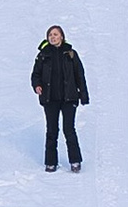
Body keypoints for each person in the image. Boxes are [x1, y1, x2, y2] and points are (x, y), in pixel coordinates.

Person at [31, 25, 87, 172]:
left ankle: (75, 161)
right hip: (50, 99)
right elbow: (35, 74)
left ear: (61, 36)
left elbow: (79, 75)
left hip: (69, 98)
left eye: (55, 34)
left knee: (69, 129)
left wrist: (83, 95)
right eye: (50, 35)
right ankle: (51, 163)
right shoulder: (43, 55)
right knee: (51, 130)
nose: (53, 37)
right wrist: (37, 85)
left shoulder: (70, 53)